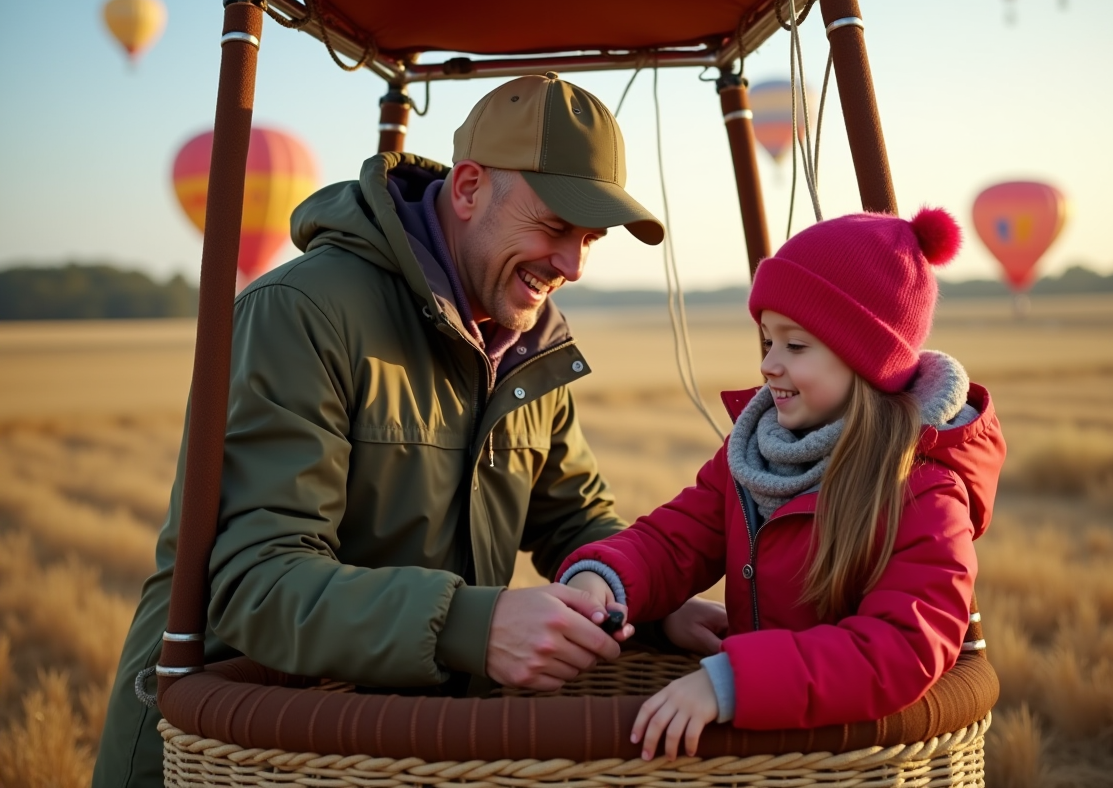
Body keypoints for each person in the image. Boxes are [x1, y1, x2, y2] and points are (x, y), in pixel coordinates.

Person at [95, 73, 727, 787]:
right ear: (466, 189)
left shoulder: (529, 340)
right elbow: (255, 586)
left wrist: (645, 600)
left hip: (391, 745)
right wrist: (473, 625)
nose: (573, 265)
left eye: (589, 238)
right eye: (554, 226)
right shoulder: (302, 312)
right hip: (226, 741)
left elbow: (572, 519)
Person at [560, 208, 1006, 760]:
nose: (769, 365)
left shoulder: (922, 491)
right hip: (763, 753)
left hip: (849, 760)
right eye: (768, 341)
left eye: (795, 347)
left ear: (866, 361)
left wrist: (733, 682)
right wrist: (604, 578)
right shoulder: (752, 456)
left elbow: (900, 648)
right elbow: (674, 539)